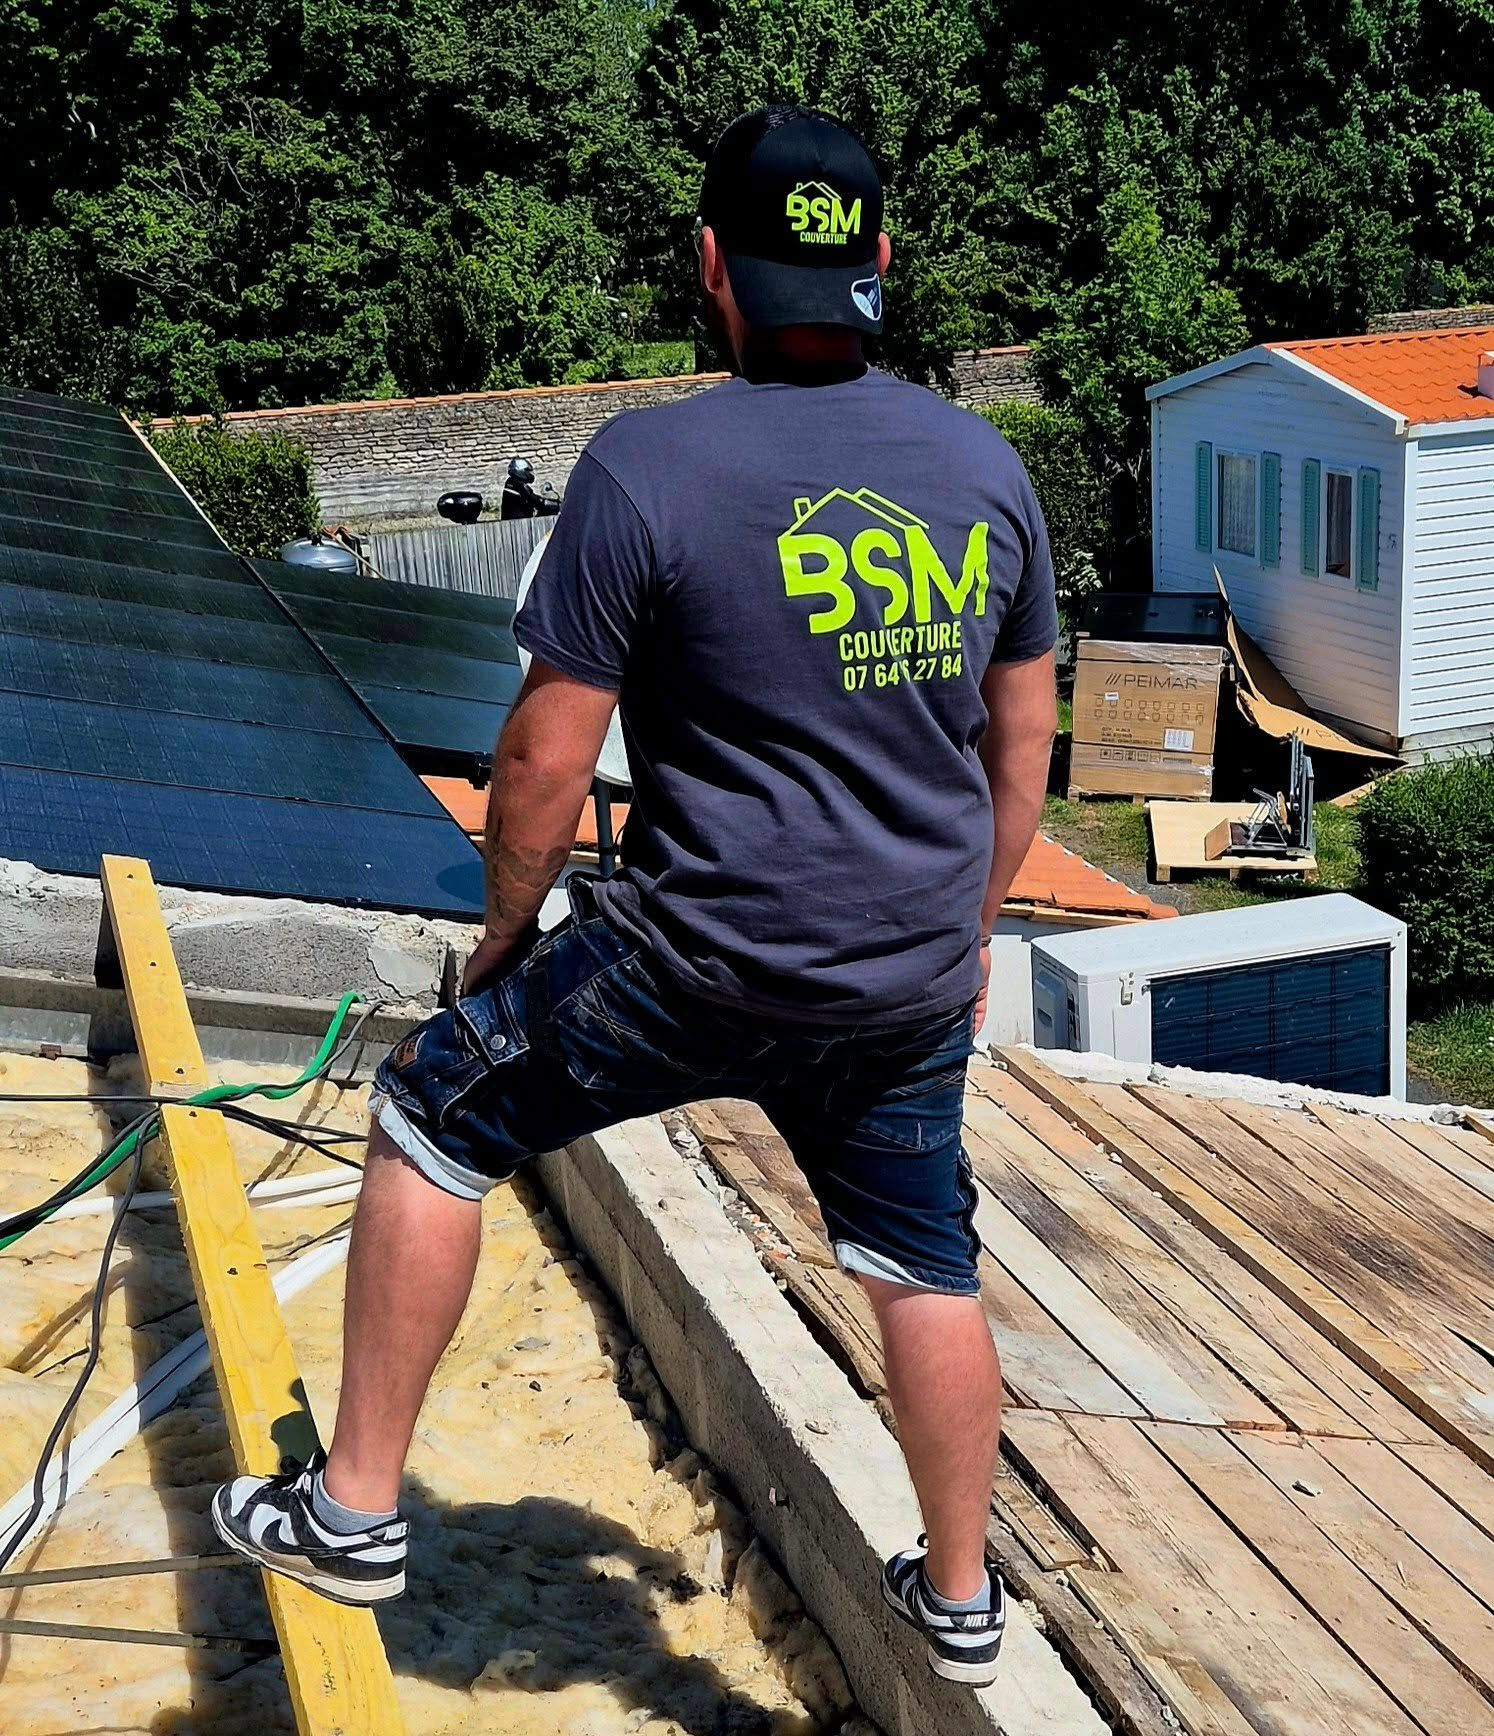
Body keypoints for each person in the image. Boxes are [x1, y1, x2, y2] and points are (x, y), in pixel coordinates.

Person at [212, 104, 1057, 1690]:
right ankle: (957, 1602)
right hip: (902, 981)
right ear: (877, 263)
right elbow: (1023, 740)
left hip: (692, 961)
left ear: (711, 269)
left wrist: (507, 936)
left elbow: (542, 761)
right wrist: (969, 932)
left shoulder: (652, 463)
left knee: (430, 1112)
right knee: (919, 1261)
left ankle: (354, 1510)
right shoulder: (979, 464)